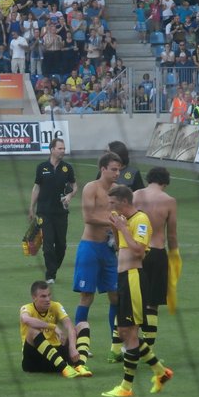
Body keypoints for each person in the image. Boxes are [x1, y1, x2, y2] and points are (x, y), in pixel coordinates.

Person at [101, 185, 174, 397]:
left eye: (112, 203)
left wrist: (123, 228)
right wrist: (115, 227)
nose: (110, 206)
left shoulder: (141, 220)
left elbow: (139, 251)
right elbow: (119, 248)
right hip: (124, 278)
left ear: (124, 201)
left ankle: (126, 387)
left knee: (129, 333)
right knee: (125, 332)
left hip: (134, 278)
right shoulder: (125, 220)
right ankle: (160, 371)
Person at [71, 152, 122, 376]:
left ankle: (116, 344)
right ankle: (80, 344)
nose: (117, 173)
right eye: (113, 169)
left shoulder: (118, 190)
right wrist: (114, 223)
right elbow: (88, 217)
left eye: (119, 169)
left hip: (109, 250)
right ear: (103, 168)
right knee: (87, 296)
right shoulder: (91, 188)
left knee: (116, 296)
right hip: (90, 248)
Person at [131, 167, 180, 352]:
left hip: (136, 252)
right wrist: (174, 256)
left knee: (133, 301)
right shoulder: (169, 201)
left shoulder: (135, 195)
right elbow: (172, 234)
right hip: (157, 253)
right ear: (165, 182)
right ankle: (148, 351)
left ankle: (125, 347)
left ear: (149, 178)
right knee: (152, 304)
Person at [28, 138, 77, 284]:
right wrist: (31, 207)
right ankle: (50, 275)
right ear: (52, 150)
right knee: (48, 245)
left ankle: (53, 268)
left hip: (61, 213)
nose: (63, 151)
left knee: (61, 245)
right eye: (60, 148)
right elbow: (36, 188)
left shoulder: (67, 168)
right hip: (44, 212)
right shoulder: (42, 167)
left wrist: (70, 195)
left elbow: (74, 186)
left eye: (64, 148)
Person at [19, 280, 81, 378]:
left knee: (82, 325)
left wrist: (72, 347)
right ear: (34, 297)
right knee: (32, 330)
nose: (48, 299)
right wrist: (53, 326)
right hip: (34, 361)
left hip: (54, 357)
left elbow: (69, 325)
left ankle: (80, 366)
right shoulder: (27, 308)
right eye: (43, 296)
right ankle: (64, 368)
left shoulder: (56, 306)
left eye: (49, 295)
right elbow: (25, 319)